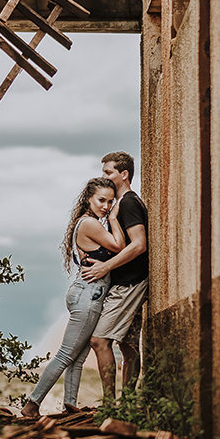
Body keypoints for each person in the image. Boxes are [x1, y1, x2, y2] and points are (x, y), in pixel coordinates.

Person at [21, 177, 126, 418]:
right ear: (89, 198)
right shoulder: (90, 223)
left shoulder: (87, 222)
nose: (106, 206)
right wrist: (113, 218)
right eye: (101, 200)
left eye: (110, 202)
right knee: (66, 354)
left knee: (77, 359)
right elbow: (120, 246)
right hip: (89, 295)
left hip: (86, 293)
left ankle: (69, 406)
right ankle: (32, 404)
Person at [80, 151, 149, 403]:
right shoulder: (120, 204)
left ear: (124, 174)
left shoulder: (128, 203)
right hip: (128, 281)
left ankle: (109, 405)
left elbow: (139, 244)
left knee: (99, 341)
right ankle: (127, 405)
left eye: (108, 172)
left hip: (129, 283)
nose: (104, 176)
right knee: (128, 347)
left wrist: (105, 267)